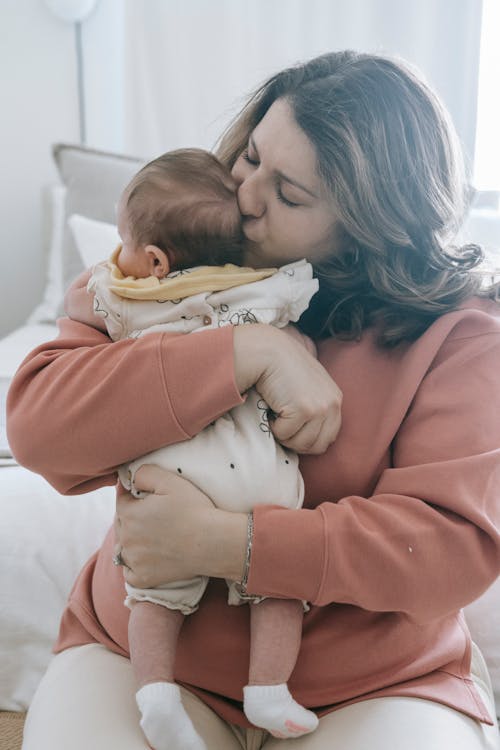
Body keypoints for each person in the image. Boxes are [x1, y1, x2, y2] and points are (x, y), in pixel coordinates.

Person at [8, 50, 500, 750]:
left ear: (371, 223)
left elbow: (451, 552)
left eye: (290, 194)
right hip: (146, 657)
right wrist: (242, 354)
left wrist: (232, 547)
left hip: (372, 682)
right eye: (249, 156)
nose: (243, 195)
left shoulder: (461, 337)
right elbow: (40, 433)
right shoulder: (152, 272)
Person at [64, 147, 321, 749]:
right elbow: (300, 345)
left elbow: (82, 314)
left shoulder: (126, 297)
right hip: (258, 466)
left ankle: (155, 693)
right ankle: (269, 689)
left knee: (154, 589)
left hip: (175, 471)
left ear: (153, 259)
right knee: (280, 577)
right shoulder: (259, 290)